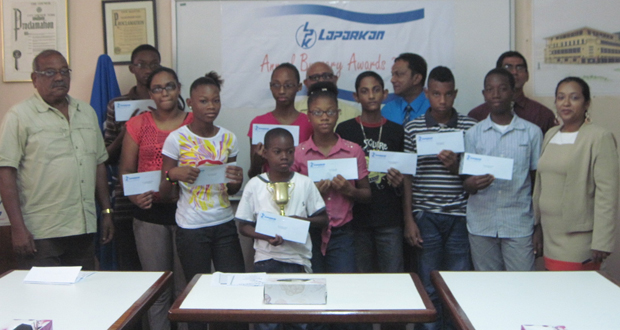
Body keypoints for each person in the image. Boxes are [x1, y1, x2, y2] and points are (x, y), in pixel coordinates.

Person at [0, 49, 113, 270]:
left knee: (82, 295)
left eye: (64, 71)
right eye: (50, 72)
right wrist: (17, 228)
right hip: (40, 232)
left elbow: (98, 164)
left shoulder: (87, 113)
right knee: (43, 300)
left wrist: (107, 211)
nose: (59, 77)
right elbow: (5, 172)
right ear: (34, 79)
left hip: (82, 227)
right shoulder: (19, 116)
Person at [160, 72, 246, 330]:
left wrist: (237, 180)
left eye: (215, 101)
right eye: (204, 101)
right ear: (190, 102)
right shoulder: (176, 139)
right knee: (196, 295)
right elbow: (164, 190)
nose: (211, 107)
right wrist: (173, 174)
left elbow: (231, 190)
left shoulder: (229, 139)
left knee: (234, 291)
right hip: (191, 228)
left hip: (224, 224)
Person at [404, 66, 477, 330]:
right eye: (436, 94)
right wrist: (409, 220)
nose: (442, 101)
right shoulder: (413, 127)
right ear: (427, 93)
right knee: (429, 284)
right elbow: (408, 177)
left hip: (460, 215)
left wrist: (456, 166)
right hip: (425, 215)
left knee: (457, 285)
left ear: (455, 94)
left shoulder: (470, 126)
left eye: (447, 94)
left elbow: (474, 174)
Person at [119, 67, 192, 330]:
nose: (164, 92)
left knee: (184, 291)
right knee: (157, 290)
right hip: (149, 215)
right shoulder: (138, 124)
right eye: (158, 88)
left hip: (188, 213)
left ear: (179, 88)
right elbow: (125, 170)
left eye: (170, 86)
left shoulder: (194, 122)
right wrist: (134, 196)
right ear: (150, 93)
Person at [236, 128, 328, 330]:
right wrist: (266, 235)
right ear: (265, 153)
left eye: (289, 151)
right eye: (277, 151)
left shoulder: (305, 183)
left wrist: (301, 221)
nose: (284, 157)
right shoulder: (255, 184)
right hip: (266, 261)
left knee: (301, 320)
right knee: (268, 321)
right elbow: (244, 226)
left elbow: (323, 219)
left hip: (299, 260)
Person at [533, 77, 618, 271]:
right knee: (553, 292)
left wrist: (602, 241)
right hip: (550, 233)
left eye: (574, 97)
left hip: (579, 238)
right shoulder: (551, 134)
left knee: (574, 294)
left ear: (586, 103)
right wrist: (537, 226)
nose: (566, 103)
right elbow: (541, 183)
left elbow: (608, 194)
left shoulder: (599, 136)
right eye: (561, 97)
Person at [463, 68, 542, 272]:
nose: (496, 95)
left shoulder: (531, 133)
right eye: (490, 90)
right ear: (484, 95)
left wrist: (538, 226)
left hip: (518, 223)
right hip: (482, 223)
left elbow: (537, 183)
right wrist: (470, 184)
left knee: (522, 287)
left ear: (513, 92)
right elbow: (466, 181)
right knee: (489, 290)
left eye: (502, 89)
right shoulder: (473, 134)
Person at [291, 81, 371, 275]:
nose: (324, 118)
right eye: (317, 112)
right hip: (309, 231)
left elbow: (367, 194)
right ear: (308, 115)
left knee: (343, 287)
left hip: (342, 232)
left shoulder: (353, 151)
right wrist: (313, 192)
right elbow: (291, 197)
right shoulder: (299, 153)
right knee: (312, 286)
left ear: (338, 114)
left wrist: (349, 191)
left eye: (330, 112)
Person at [335, 71, 406, 274]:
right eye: (365, 91)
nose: (372, 96)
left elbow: (407, 177)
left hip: (390, 218)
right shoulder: (345, 130)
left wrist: (399, 182)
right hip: (357, 220)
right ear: (356, 97)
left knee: (394, 277)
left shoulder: (396, 131)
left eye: (376, 90)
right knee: (361, 278)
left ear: (385, 94)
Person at [105, 44, 161, 271]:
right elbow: (106, 156)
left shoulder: (169, 101)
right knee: (131, 267)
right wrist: (128, 132)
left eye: (153, 64)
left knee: (162, 268)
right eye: (141, 64)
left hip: (162, 196)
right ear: (131, 68)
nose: (148, 69)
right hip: (126, 198)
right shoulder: (117, 105)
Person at [248, 63, 313, 178]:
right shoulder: (259, 123)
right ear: (270, 86)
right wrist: (257, 163)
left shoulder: (309, 123)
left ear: (299, 87)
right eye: (276, 85)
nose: (282, 90)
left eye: (288, 85)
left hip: (301, 190)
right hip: (269, 189)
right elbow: (253, 174)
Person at [468, 51, 556, 134]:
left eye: (519, 68)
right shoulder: (477, 114)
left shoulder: (543, 114)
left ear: (527, 75)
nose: (514, 72)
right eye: (508, 67)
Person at [295, 61, 360, 124]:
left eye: (326, 76)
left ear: (335, 79)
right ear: (306, 83)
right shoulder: (294, 110)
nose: (321, 81)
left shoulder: (353, 113)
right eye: (315, 78)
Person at [381, 53, 430, 125]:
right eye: (393, 75)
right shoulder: (388, 110)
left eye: (399, 74)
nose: (392, 80)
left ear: (416, 78)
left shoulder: (433, 109)